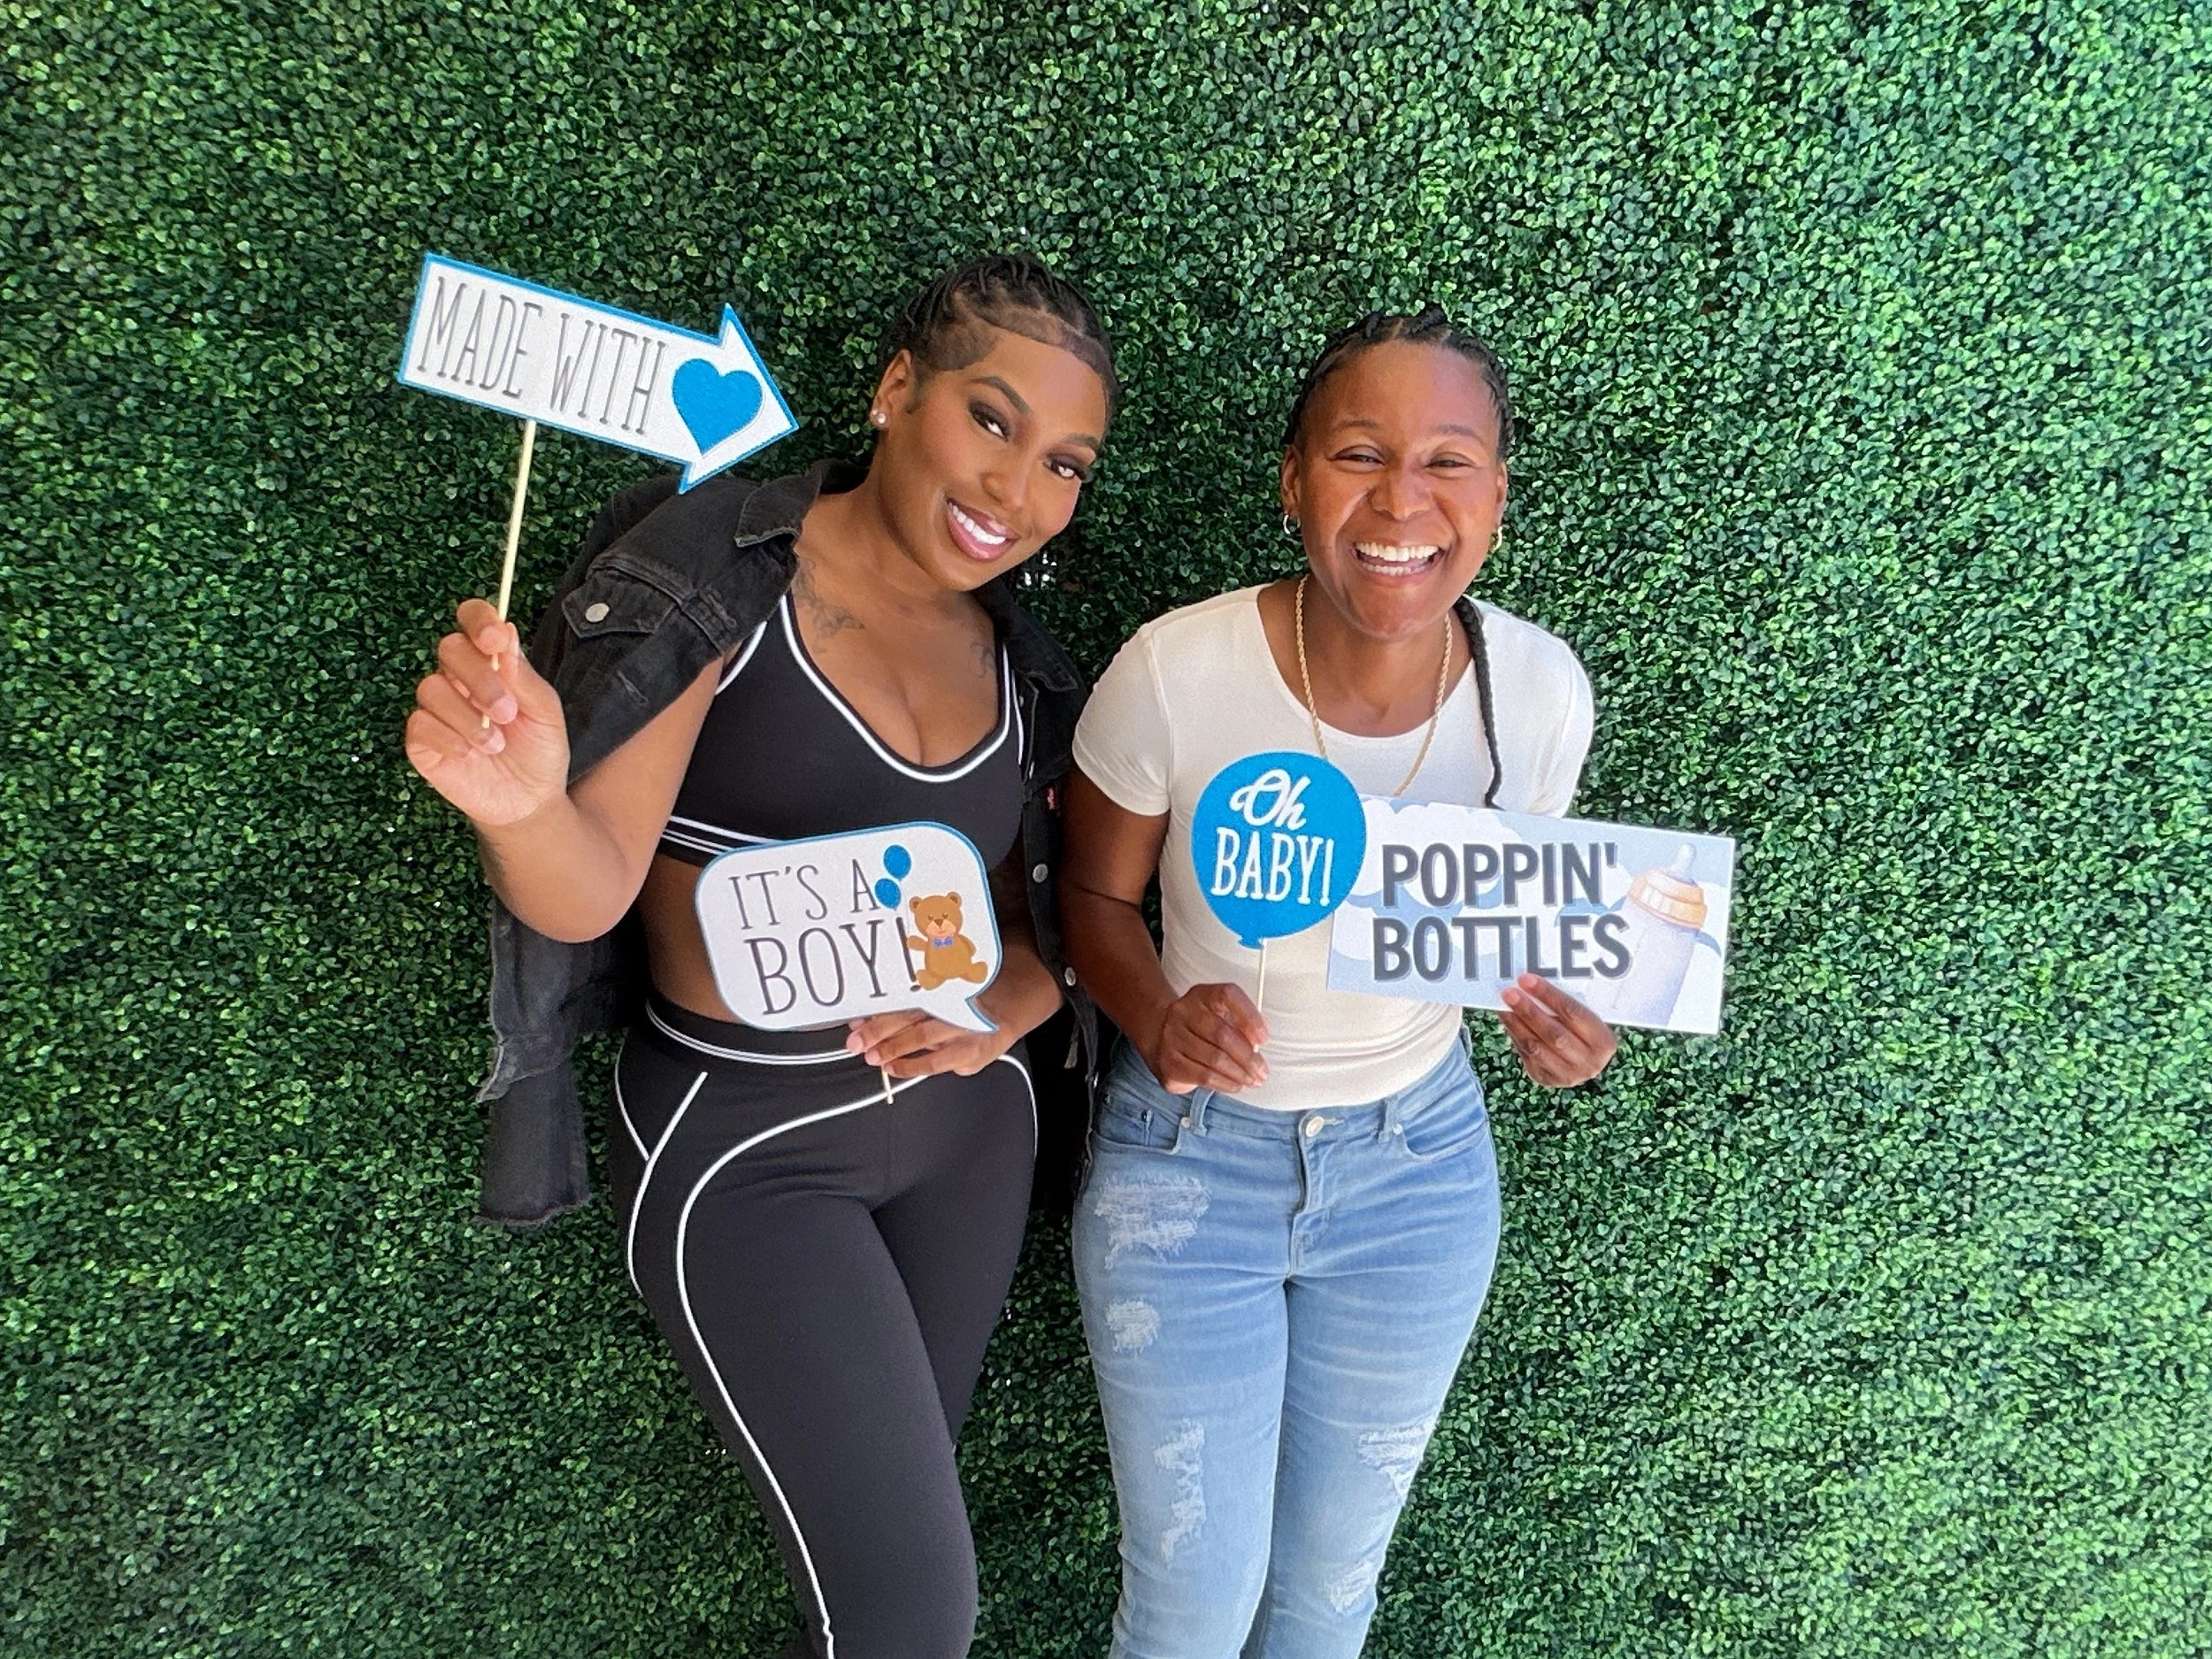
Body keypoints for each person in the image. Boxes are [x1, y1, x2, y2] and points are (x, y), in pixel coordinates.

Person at [404, 255, 1116, 1659]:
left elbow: (1038, 933)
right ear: (897, 390)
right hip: (749, 1148)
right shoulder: (717, 572)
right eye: (991, 418)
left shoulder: (1016, 657)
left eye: (1066, 464)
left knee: (871, 1598)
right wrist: (520, 806)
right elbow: (589, 888)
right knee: (915, 1614)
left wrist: (1001, 1019)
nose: (1019, 489)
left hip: (970, 1136)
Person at [1059, 308, 1620, 1659]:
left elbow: (1510, 935)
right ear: (1294, 478)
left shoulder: (1539, 690)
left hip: (1417, 1172)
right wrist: (1158, 1011)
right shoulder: (1178, 671)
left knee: (1326, 1602)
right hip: (1188, 1167)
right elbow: (1086, 900)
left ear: (1495, 492)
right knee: (1190, 1608)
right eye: (1360, 453)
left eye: (1449, 460)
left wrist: (1553, 1023)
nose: (1402, 501)